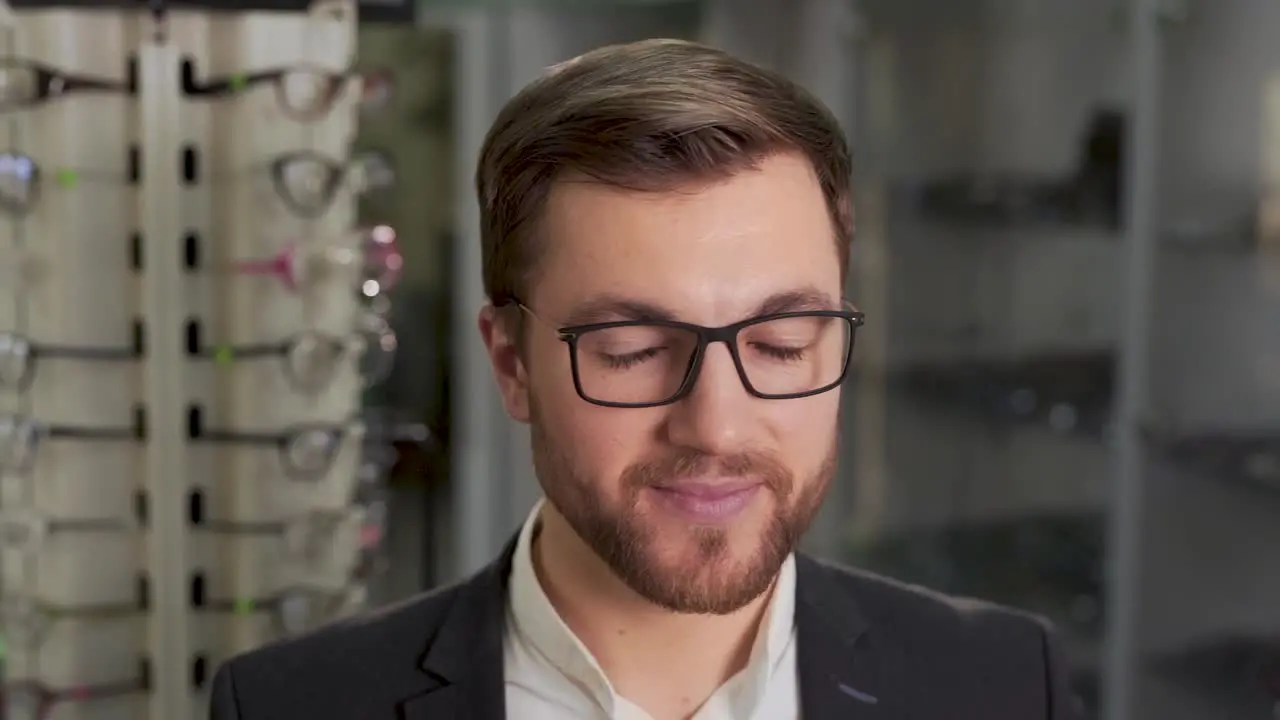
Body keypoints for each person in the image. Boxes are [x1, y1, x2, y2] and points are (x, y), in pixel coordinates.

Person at [210, 39, 1082, 720]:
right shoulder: (292, 709)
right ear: (512, 363)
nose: (717, 425)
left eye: (781, 343)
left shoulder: (1005, 687)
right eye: (631, 350)